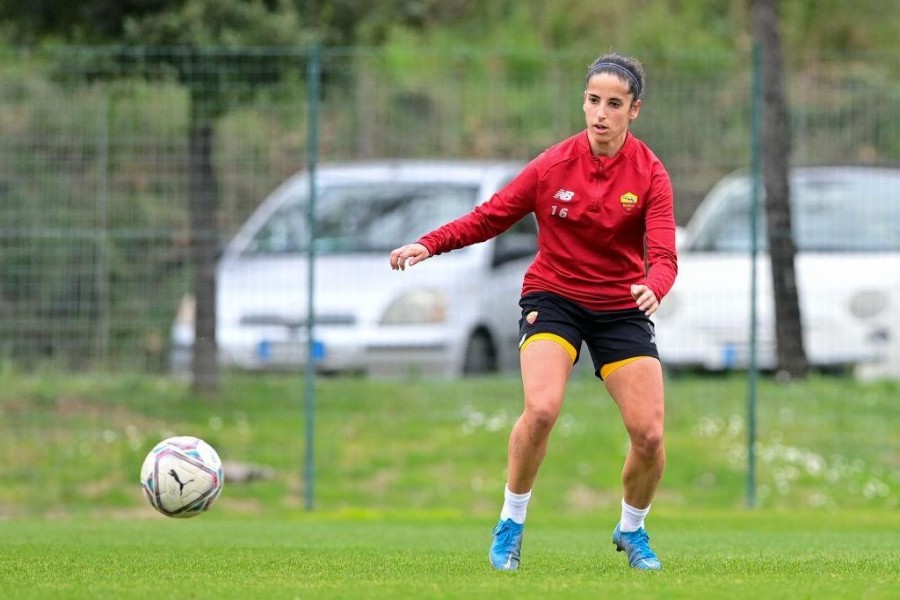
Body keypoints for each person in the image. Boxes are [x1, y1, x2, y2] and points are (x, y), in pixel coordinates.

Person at [389, 52, 677, 572]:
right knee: (541, 409)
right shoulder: (553, 165)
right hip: (555, 298)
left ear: (634, 110)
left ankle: (632, 530)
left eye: (615, 104)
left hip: (620, 306)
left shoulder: (651, 173)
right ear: (583, 102)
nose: (601, 113)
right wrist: (427, 245)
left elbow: (663, 255)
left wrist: (655, 287)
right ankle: (511, 523)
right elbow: (489, 217)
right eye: (593, 100)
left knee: (650, 434)